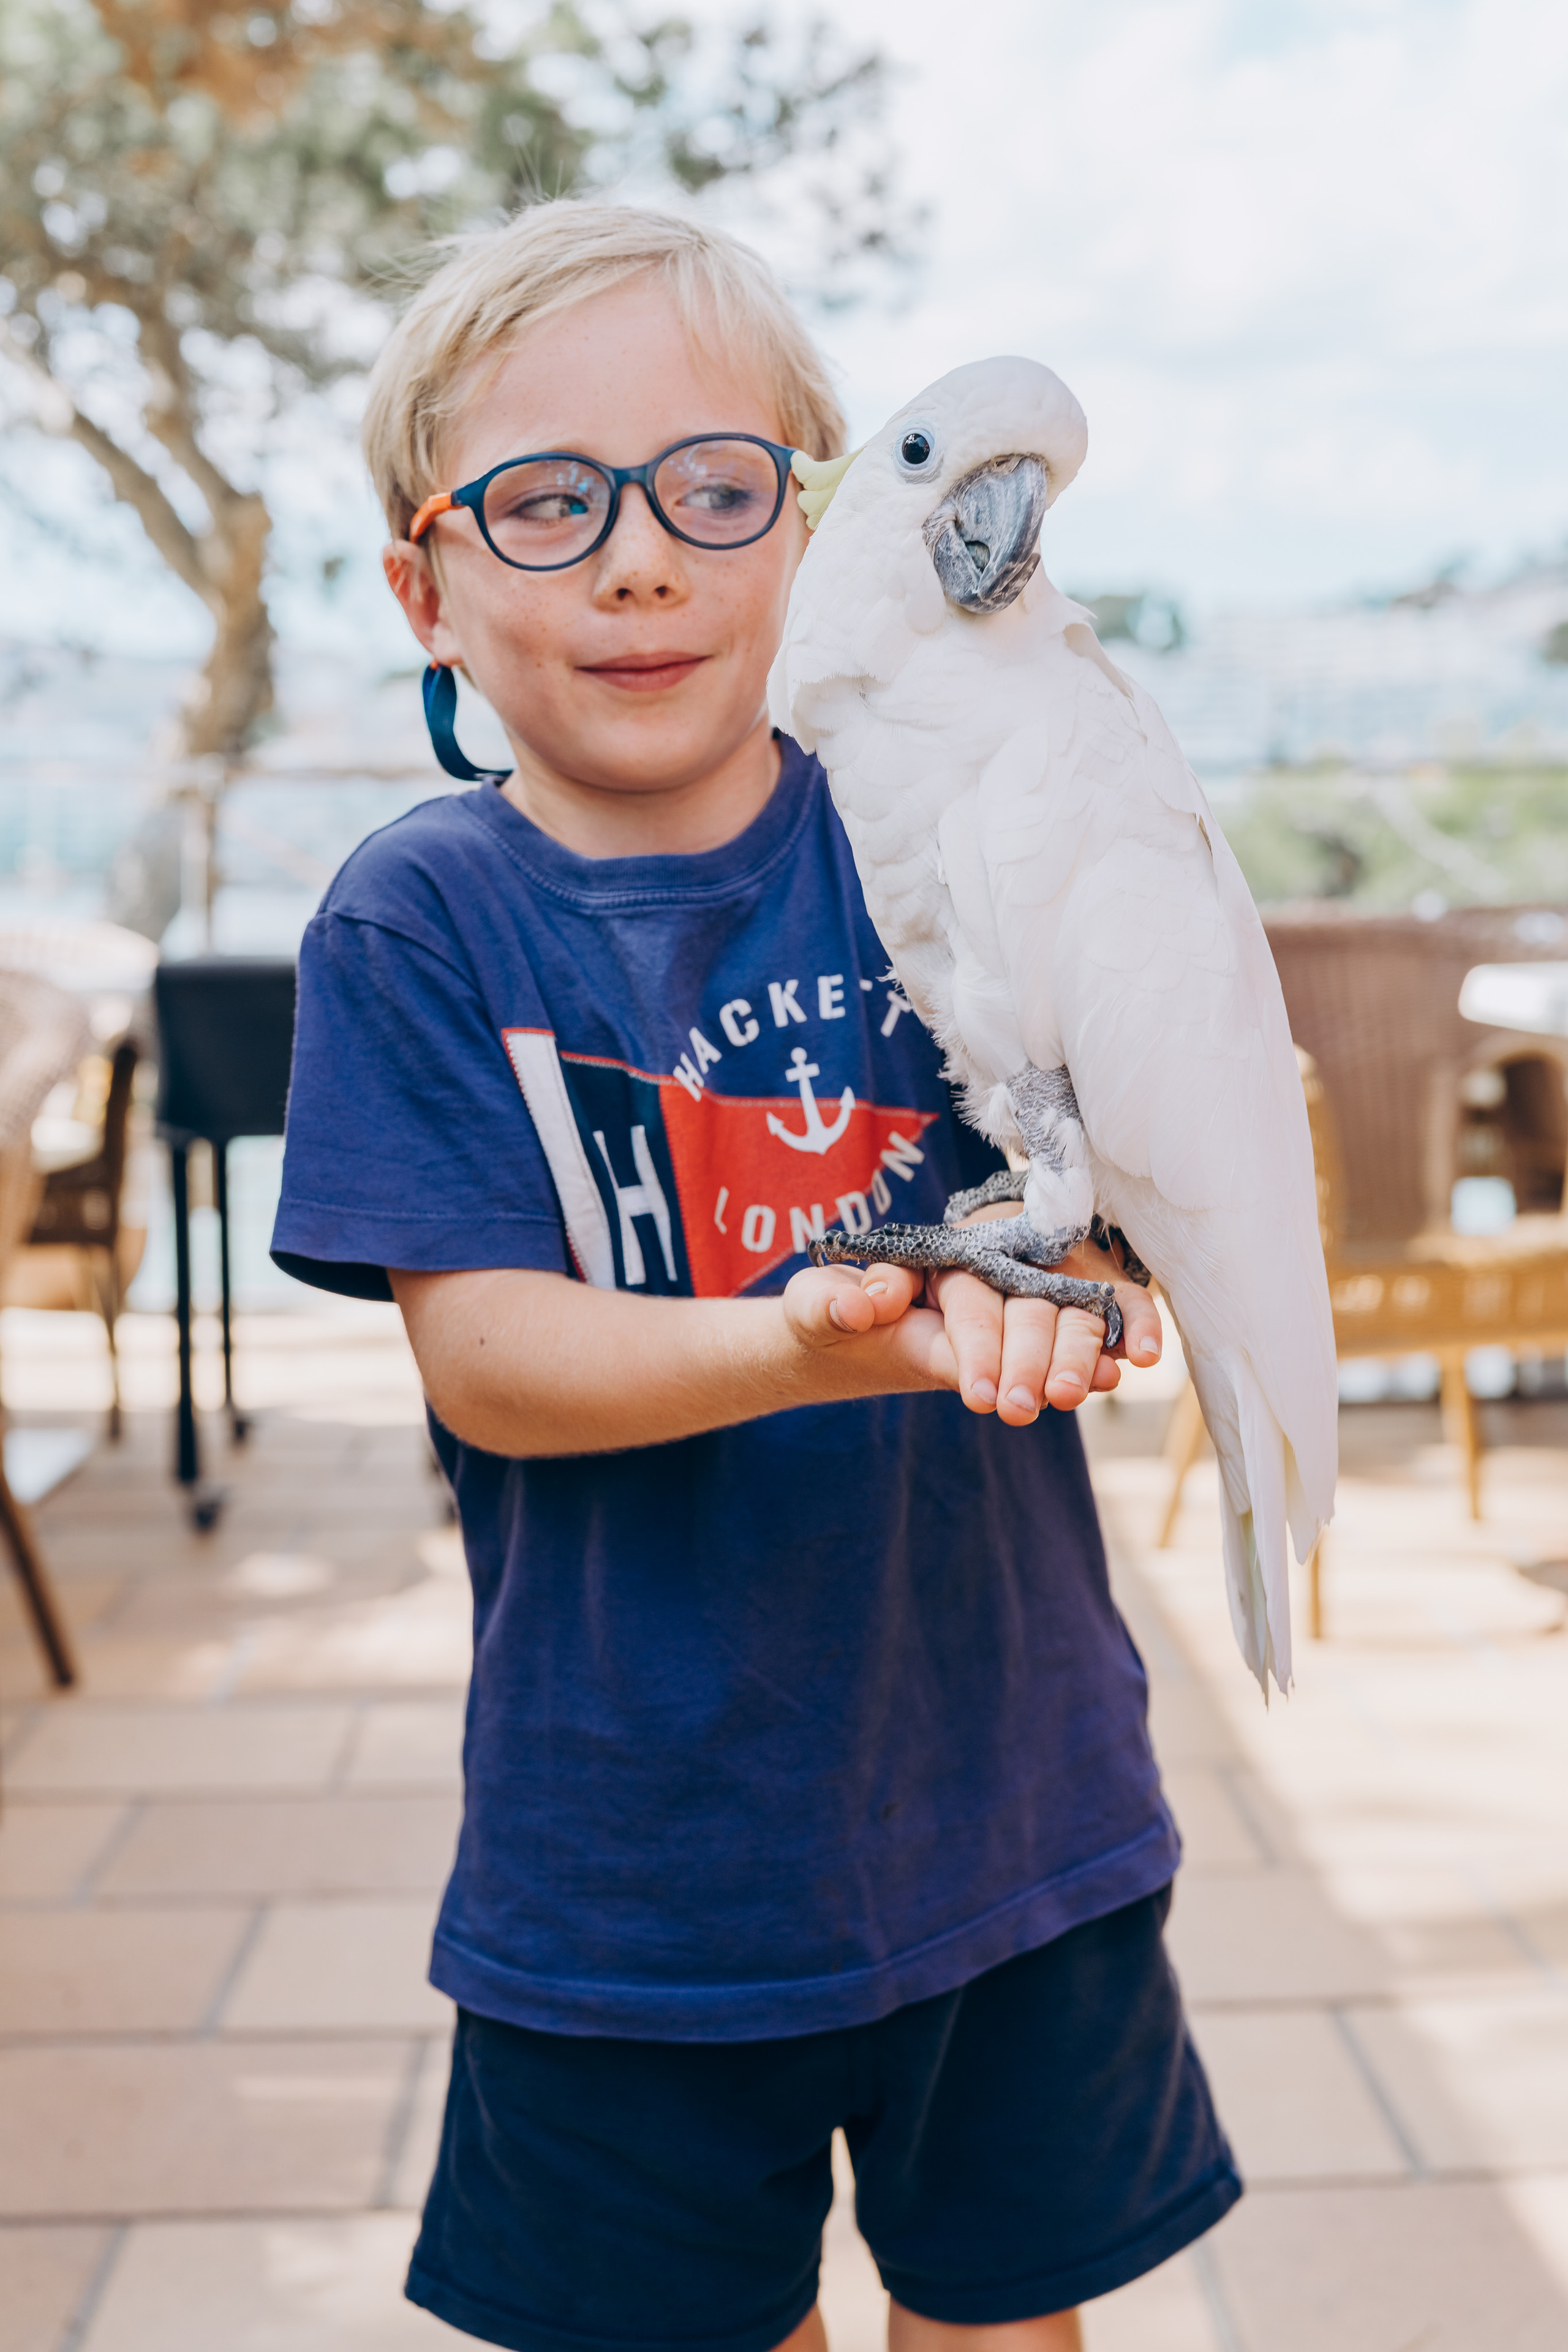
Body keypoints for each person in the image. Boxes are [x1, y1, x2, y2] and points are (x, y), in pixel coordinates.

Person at [273, 200, 1240, 2352]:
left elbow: (1099, 1177)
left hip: (1018, 1809)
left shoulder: (949, 823)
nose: (642, 560)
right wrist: (824, 1342)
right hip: (630, 1869)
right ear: (425, 590)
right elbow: (495, 1363)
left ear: (809, 539)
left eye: (717, 492)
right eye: (547, 504)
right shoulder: (419, 924)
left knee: (1005, 2317)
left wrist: (1071, 1264)